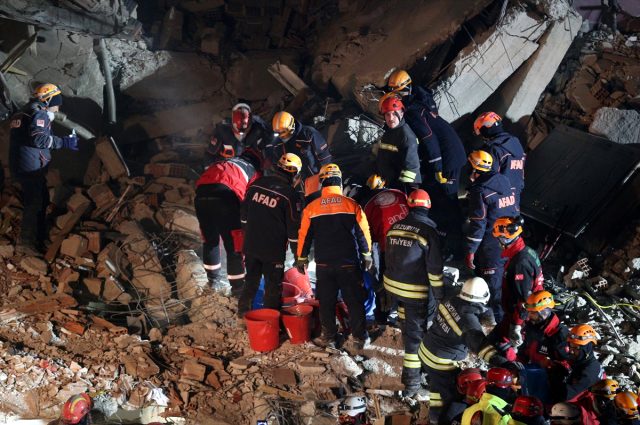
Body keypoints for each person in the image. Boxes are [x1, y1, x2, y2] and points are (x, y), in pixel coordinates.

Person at [386, 69, 467, 258]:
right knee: (441, 197)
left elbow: (429, 139)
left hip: (449, 158)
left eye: (398, 93)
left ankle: (454, 245)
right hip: (447, 152)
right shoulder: (419, 101)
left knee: (448, 200)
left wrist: (438, 168)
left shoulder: (414, 112)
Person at [296, 163, 372, 350]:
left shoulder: (312, 208)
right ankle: (359, 338)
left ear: (322, 182)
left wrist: (301, 258)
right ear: (339, 181)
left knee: (326, 303)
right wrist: (367, 254)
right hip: (348, 264)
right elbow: (363, 232)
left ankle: (329, 337)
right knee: (354, 301)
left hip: (324, 265)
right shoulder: (352, 205)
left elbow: (304, 235)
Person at [419, 277, 509, 423]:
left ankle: (434, 415)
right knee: (455, 396)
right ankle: (443, 421)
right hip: (440, 361)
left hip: (426, 349)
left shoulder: (452, 297)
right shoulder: (468, 322)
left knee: (438, 385)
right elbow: (481, 347)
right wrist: (504, 363)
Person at [383, 189, 444, 397]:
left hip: (393, 289)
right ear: (428, 206)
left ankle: (414, 361)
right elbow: (434, 270)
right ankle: (412, 383)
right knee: (415, 337)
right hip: (415, 293)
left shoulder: (394, 227)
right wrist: (440, 296)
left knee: (406, 325)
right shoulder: (429, 232)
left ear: (409, 205)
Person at [9, 83, 79, 256]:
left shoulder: (24, 110)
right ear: (48, 100)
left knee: (43, 200)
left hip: (25, 164)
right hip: (30, 167)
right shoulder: (39, 113)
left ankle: (38, 239)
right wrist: (64, 142)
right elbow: (39, 140)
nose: (59, 105)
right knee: (34, 203)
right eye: (57, 100)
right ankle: (26, 243)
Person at [237, 153, 303, 323]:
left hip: (251, 245)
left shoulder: (256, 185)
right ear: (295, 174)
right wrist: (298, 257)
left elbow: (243, 217)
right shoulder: (290, 195)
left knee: (250, 281)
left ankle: (242, 317)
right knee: (273, 287)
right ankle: (270, 323)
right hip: (272, 251)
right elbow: (294, 232)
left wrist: (248, 235)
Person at [464, 150, 518, 324]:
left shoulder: (479, 191)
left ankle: (500, 325)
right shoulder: (504, 180)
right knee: (503, 281)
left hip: (491, 243)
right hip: (510, 239)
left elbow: (478, 223)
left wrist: (471, 250)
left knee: (493, 286)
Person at [194, 152, 260, 294]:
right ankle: (238, 289)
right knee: (234, 247)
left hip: (200, 196)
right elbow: (252, 201)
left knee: (210, 241)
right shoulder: (253, 171)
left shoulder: (224, 162)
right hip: (225, 197)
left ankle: (212, 282)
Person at [358, 174, 409, 324]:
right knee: (409, 282)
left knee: (385, 282)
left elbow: (368, 235)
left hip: (389, 248)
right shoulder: (400, 194)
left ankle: (382, 318)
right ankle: (404, 315)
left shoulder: (367, 205)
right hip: (411, 243)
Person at [490, 216, 544, 353]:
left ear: (504, 239)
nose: (497, 242)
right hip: (520, 313)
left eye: (498, 238)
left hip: (519, 316)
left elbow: (524, 300)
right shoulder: (526, 251)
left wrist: (516, 326)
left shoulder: (520, 263)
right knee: (494, 339)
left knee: (504, 348)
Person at [473, 112, 525, 204]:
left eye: (481, 132)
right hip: (515, 196)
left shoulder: (494, 149)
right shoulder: (515, 142)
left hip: (498, 198)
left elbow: (489, 177)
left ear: (486, 129)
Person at [549, 324, 604, 404]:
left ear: (587, 348)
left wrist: (554, 376)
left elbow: (564, 396)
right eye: (570, 346)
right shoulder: (584, 361)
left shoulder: (588, 373)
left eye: (576, 348)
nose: (571, 351)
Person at [207, 103, 273, 168]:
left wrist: (268, 157)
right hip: (225, 165)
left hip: (249, 166)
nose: (241, 133)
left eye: (245, 128)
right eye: (237, 128)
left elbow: (270, 139)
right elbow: (210, 153)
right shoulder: (222, 129)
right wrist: (208, 168)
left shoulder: (258, 127)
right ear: (232, 122)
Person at [375, 95, 421, 190]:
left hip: (403, 186)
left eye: (394, 114)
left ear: (402, 114)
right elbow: (383, 157)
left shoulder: (406, 136)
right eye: (387, 114)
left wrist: (405, 189)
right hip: (386, 182)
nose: (390, 118)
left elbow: (411, 168)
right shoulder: (389, 132)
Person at [271, 111, 332, 182]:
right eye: (278, 133)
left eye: (284, 132)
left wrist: (325, 177)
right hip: (296, 183)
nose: (281, 136)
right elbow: (277, 163)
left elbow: (324, 156)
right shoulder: (278, 144)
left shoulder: (308, 134)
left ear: (291, 126)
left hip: (315, 178)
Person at [515, 291, 570, 366]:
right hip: (531, 372)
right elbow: (524, 351)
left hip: (549, 375)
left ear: (544, 312)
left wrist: (549, 364)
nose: (529, 315)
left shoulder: (560, 335)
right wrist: (517, 367)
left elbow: (568, 365)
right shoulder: (531, 327)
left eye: (533, 312)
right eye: (529, 312)